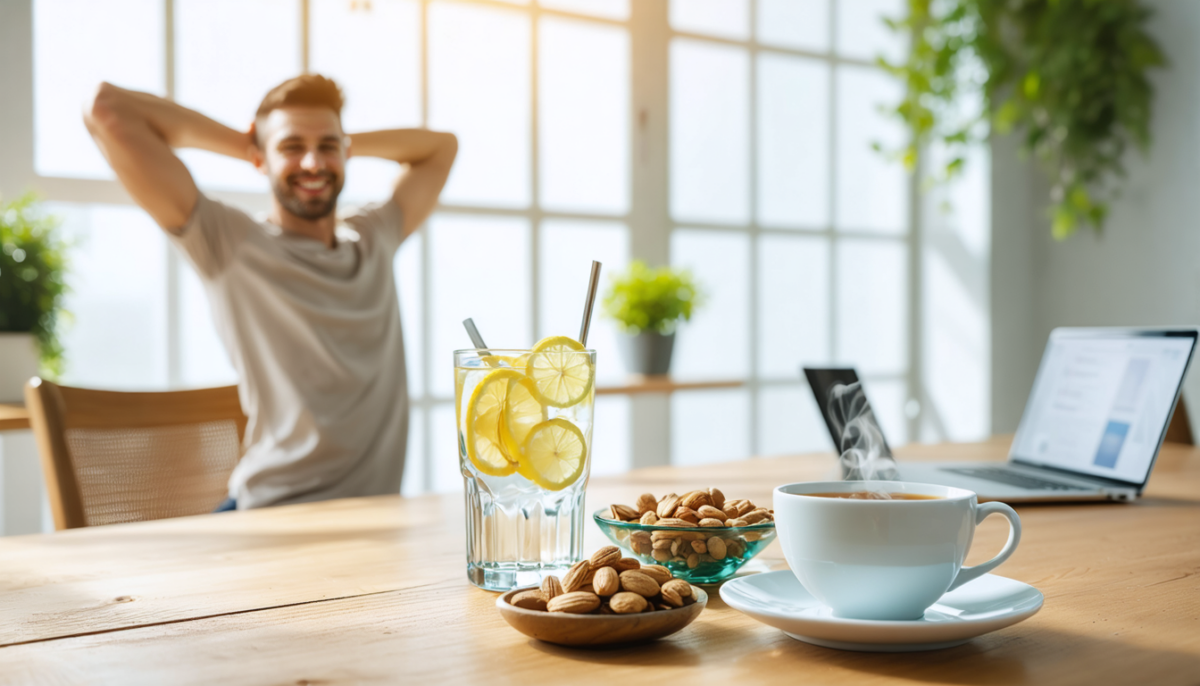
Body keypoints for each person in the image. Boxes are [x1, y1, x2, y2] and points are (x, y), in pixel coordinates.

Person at [83, 75, 457, 510]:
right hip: (271, 511)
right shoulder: (229, 242)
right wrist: (250, 143)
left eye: (328, 147)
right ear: (260, 157)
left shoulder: (375, 236)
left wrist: (328, 142)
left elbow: (442, 147)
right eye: (291, 147)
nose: (313, 163)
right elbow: (107, 109)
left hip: (374, 516)